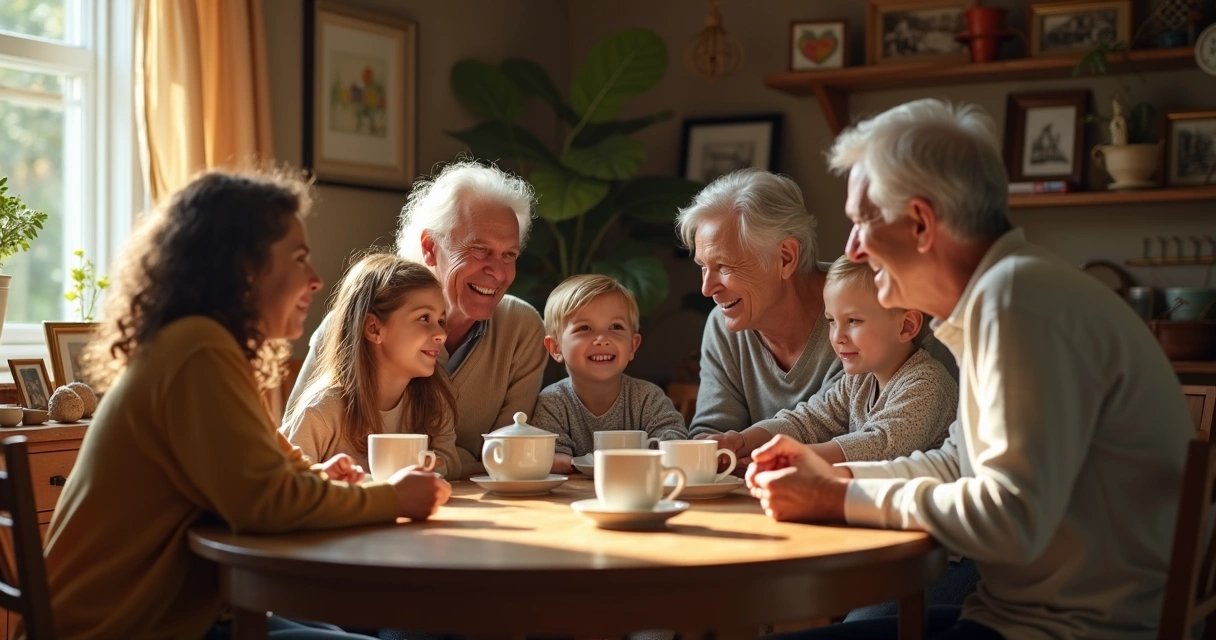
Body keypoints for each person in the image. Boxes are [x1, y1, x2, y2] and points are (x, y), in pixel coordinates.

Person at [749, 99, 1193, 640]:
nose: (852, 248)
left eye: (863, 221)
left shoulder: (1017, 306)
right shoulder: (1009, 293)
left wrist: (837, 498)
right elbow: (960, 466)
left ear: (920, 223)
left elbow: (1010, 516)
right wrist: (833, 478)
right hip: (1019, 618)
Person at [28, 170, 451, 640]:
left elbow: (271, 467)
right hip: (124, 627)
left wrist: (316, 476)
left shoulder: (205, 347)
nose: (315, 279)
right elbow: (264, 504)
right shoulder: (197, 350)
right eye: (299, 259)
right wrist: (393, 497)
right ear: (243, 266)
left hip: (178, 614)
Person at [287, 160, 547, 478]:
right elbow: (292, 452)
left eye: (509, 254)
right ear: (430, 246)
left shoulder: (522, 328)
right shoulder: (350, 325)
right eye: (479, 250)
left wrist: (439, 462)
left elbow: (507, 456)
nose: (499, 271)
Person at [674, 168, 956, 447]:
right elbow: (799, 422)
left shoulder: (882, 307)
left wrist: (777, 459)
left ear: (785, 257)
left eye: (723, 266)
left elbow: (872, 443)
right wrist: (724, 447)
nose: (707, 289)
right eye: (703, 267)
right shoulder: (724, 323)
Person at [715, 256, 955, 464]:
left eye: (853, 321)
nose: (837, 337)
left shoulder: (928, 385)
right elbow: (806, 421)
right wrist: (741, 440)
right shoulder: (858, 381)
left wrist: (792, 457)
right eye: (831, 321)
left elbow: (880, 445)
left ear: (906, 326)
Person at [282, 253, 461, 479]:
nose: (441, 334)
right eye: (424, 318)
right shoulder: (321, 411)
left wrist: (426, 468)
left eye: (441, 321)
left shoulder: (433, 401)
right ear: (374, 329)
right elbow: (287, 482)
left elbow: (450, 460)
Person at [531, 275, 687, 474]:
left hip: (640, 493)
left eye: (615, 327)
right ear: (555, 348)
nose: (602, 339)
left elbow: (675, 441)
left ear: (633, 345)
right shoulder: (553, 403)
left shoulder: (648, 398)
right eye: (584, 328)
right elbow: (551, 459)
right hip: (573, 499)